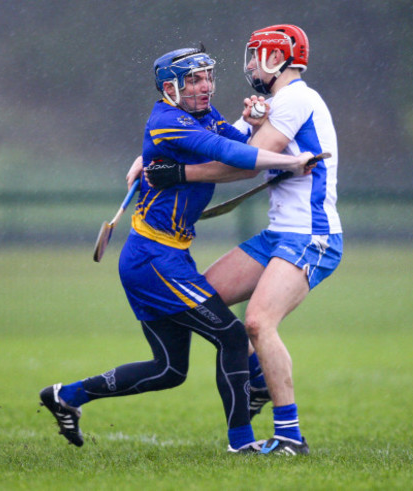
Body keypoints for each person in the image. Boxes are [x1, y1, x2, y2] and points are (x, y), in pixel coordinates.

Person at [39, 45, 316, 454]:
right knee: (233, 337)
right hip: (154, 260)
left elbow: (237, 140)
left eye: (208, 77)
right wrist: (288, 162)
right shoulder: (169, 122)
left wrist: (257, 122)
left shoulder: (202, 115)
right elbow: (228, 154)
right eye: (194, 80)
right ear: (170, 87)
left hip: (164, 257)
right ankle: (242, 442)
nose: (206, 86)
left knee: (169, 370)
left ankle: (68, 396)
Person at [144, 25, 343, 456]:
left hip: (311, 234)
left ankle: (290, 436)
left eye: (255, 56)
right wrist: (147, 155)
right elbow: (210, 141)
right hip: (278, 234)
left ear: (275, 58)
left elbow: (244, 162)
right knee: (204, 299)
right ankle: (258, 380)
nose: (249, 65)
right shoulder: (274, 103)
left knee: (256, 322)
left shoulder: (295, 100)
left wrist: (177, 174)